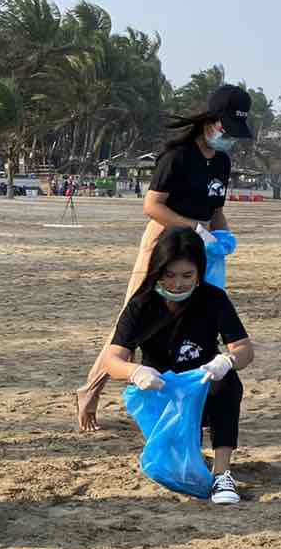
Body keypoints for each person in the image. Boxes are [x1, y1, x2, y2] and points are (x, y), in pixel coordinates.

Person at [75, 83, 252, 432]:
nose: (228, 138)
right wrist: (193, 229)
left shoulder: (222, 162)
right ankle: (90, 391)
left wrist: (223, 235)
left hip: (202, 249)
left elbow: (216, 208)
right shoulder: (177, 156)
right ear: (211, 121)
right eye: (226, 130)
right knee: (135, 320)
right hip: (166, 242)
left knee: (195, 318)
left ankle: (188, 400)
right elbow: (152, 206)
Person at [102, 227, 254, 505]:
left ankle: (222, 472)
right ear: (157, 271)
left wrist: (227, 360)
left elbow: (244, 349)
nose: (177, 284)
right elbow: (112, 359)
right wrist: (135, 372)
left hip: (203, 389)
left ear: (199, 272)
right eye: (169, 275)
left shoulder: (213, 299)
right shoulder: (141, 305)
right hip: (161, 391)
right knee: (175, 465)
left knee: (228, 382)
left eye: (187, 275)